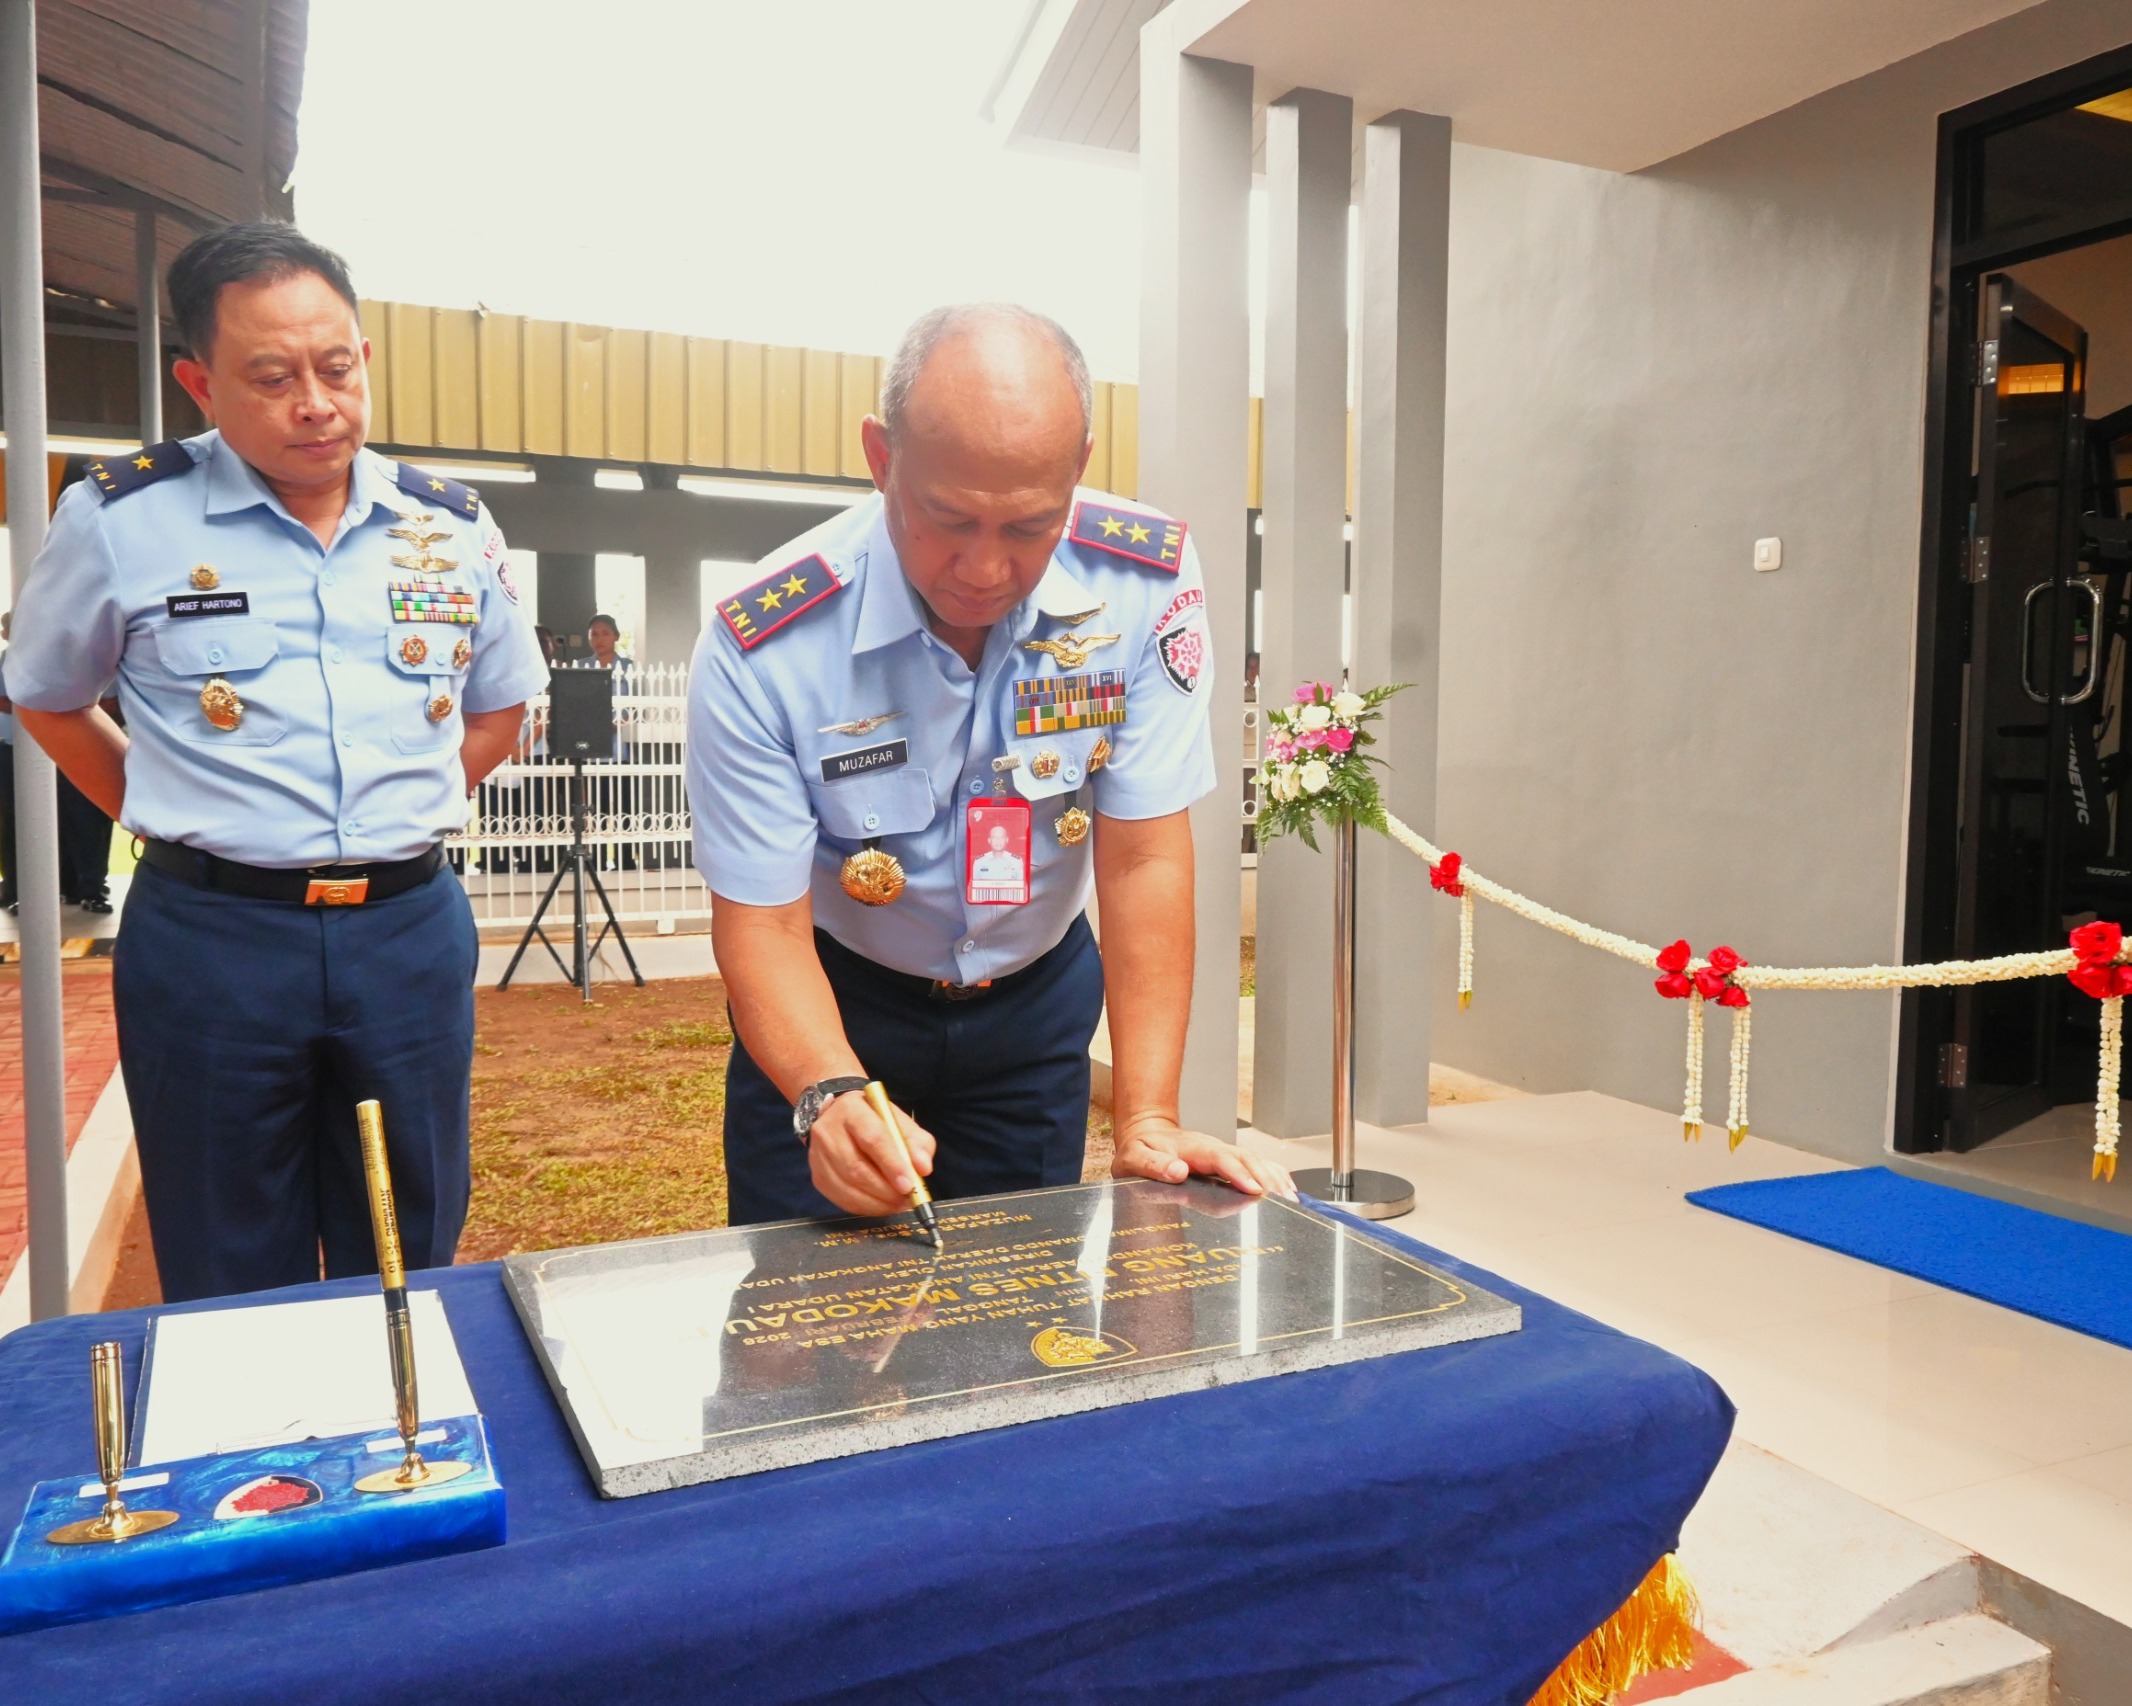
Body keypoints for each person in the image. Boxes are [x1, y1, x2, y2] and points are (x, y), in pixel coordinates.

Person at [5, 220, 547, 1303]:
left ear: (365, 360)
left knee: (410, 1235)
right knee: (223, 1247)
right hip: (214, 941)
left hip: (405, 930)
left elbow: (500, 708)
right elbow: (47, 695)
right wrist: (166, 808)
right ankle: (254, 1466)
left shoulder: (446, 525)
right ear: (200, 382)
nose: (317, 402)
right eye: (273, 375)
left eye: (336, 366)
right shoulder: (123, 518)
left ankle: (396, 1444)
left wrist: (399, 810)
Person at [688, 302, 1292, 1226]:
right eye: (948, 518)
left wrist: (1151, 1115)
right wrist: (825, 1091)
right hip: (838, 999)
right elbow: (763, 925)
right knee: (809, 1330)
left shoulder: (1143, 587)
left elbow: (1143, 858)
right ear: (881, 459)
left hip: (1033, 1010)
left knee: (1019, 1332)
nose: (984, 568)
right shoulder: (767, 642)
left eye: (1027, 527)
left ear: (1079, 470)